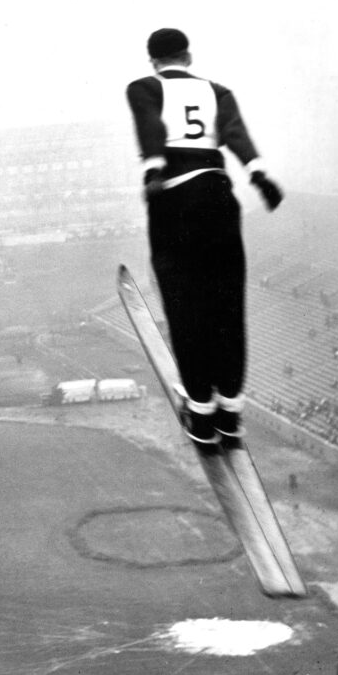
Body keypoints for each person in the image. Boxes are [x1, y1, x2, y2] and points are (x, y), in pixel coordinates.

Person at [125, 28, 283, 445]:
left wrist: (154, 170)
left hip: (174, 200)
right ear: (188, 56)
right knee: (227, 306)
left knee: (185, 308)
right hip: (218, 197)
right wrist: (258, 173)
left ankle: (201, 412)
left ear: (154, 61)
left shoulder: (144, 88)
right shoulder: (218, 91)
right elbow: (236, 135)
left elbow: (150, 128)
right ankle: (230, 411)